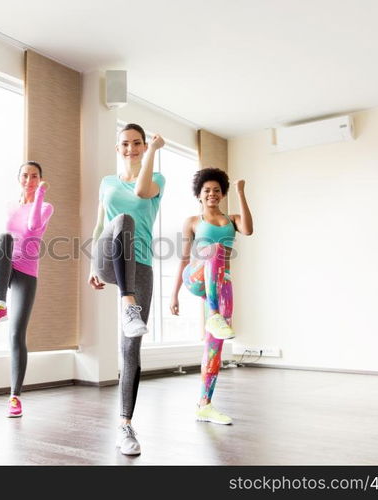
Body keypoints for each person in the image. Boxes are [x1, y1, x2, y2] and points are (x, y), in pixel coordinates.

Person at [88, 123, 165, 456]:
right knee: (122, 222)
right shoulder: (107, 182)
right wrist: (93, 265)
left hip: (141, 266)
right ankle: (127, 301)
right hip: (108, 258)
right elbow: (99, 222)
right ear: (117, 148)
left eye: (137, 143)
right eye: (125, 144)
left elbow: (140, 192)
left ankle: (125, 426)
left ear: (144, 146)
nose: (131, 148)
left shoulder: (157, 180)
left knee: (130, 349)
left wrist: (152, 154)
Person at [169, 167, 253, 425]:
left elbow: (248, 230)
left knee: (214, 347)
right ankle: (214, 315)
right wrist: (174, 295)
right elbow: (184, 258)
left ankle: (204, 404)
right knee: (215, 250)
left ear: (223, 193)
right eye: (207, 191)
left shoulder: (233, 220)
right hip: (196, 277)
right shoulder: (193, 222)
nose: (212, 194)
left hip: (222, 284)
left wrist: (240, 191)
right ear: (199, 194)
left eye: (217, 190)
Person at [0, 161, 53, 418]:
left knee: (16, 335)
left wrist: (40, 194)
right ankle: (0, 304)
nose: (29, 180)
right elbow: (4, 238)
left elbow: (33, 227)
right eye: (25, 175)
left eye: (34, 176)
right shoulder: (9, 206)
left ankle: (14, 397)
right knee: (2, 238)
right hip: (7, 265)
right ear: (18, 178)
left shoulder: (45, 206)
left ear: (40, 179)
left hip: (27, 272)